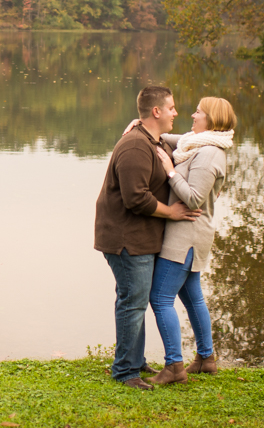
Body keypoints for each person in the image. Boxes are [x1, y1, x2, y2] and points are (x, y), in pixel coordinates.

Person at [94, 86, 201, 390]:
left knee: (133, 300)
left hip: (140, 238)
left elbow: (192, 147)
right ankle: (126, 372)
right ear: (156, 111)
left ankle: (134, 361)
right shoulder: (135, 147)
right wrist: (172, 213)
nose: (175, 114)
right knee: (133, 302)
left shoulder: (152, 141)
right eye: (171, 108)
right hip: (125, 239)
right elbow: (135, 199)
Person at [143, 97, 236, 386]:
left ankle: (174, 366)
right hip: (190, 233)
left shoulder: (209, 155)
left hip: (186, 236)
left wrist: (169, 169)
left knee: (160, 298)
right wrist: (141, 124)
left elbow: (194, 198)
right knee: (192, 296)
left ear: (211, 119)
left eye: (199, 112)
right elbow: (173, 137)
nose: (192, 115)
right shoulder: (197, 143)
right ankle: (206, 359)